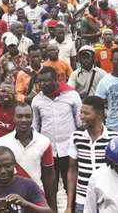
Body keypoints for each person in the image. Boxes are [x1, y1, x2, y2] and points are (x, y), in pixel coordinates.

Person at [32, 66, 81, 195]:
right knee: (50, 188)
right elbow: (35, 127)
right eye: (40, 81)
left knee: (71, 186)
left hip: (68, 149)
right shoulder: (37, 101)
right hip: (48, 151)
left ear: (56, 80)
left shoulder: (72, 95)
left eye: (46, 80)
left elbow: (80, 123)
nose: (43, 84)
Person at [0, 103, 56, 210]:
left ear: (32, 118)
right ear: (14, 118)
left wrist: (53, 208)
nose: (24, 119)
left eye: (28, 116)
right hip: (10, 198)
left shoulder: (44, 142)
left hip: (36, 198)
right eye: (20, 116)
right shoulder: (2, 142)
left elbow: (49, 176)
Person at [66, 96, 118, 213]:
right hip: (82, 200)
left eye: (86, 113)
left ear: (99, 114)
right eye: (81, 112)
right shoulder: (76, 137)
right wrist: (69, 206)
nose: (81, 117)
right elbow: (72, 170)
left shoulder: (114, 138)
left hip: (107, 199)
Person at [0, 146, 53, 213]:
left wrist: (25, 204)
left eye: (7, 166)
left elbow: (48, 211)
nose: (3, 171)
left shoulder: (29, 185)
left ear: (14, 164)